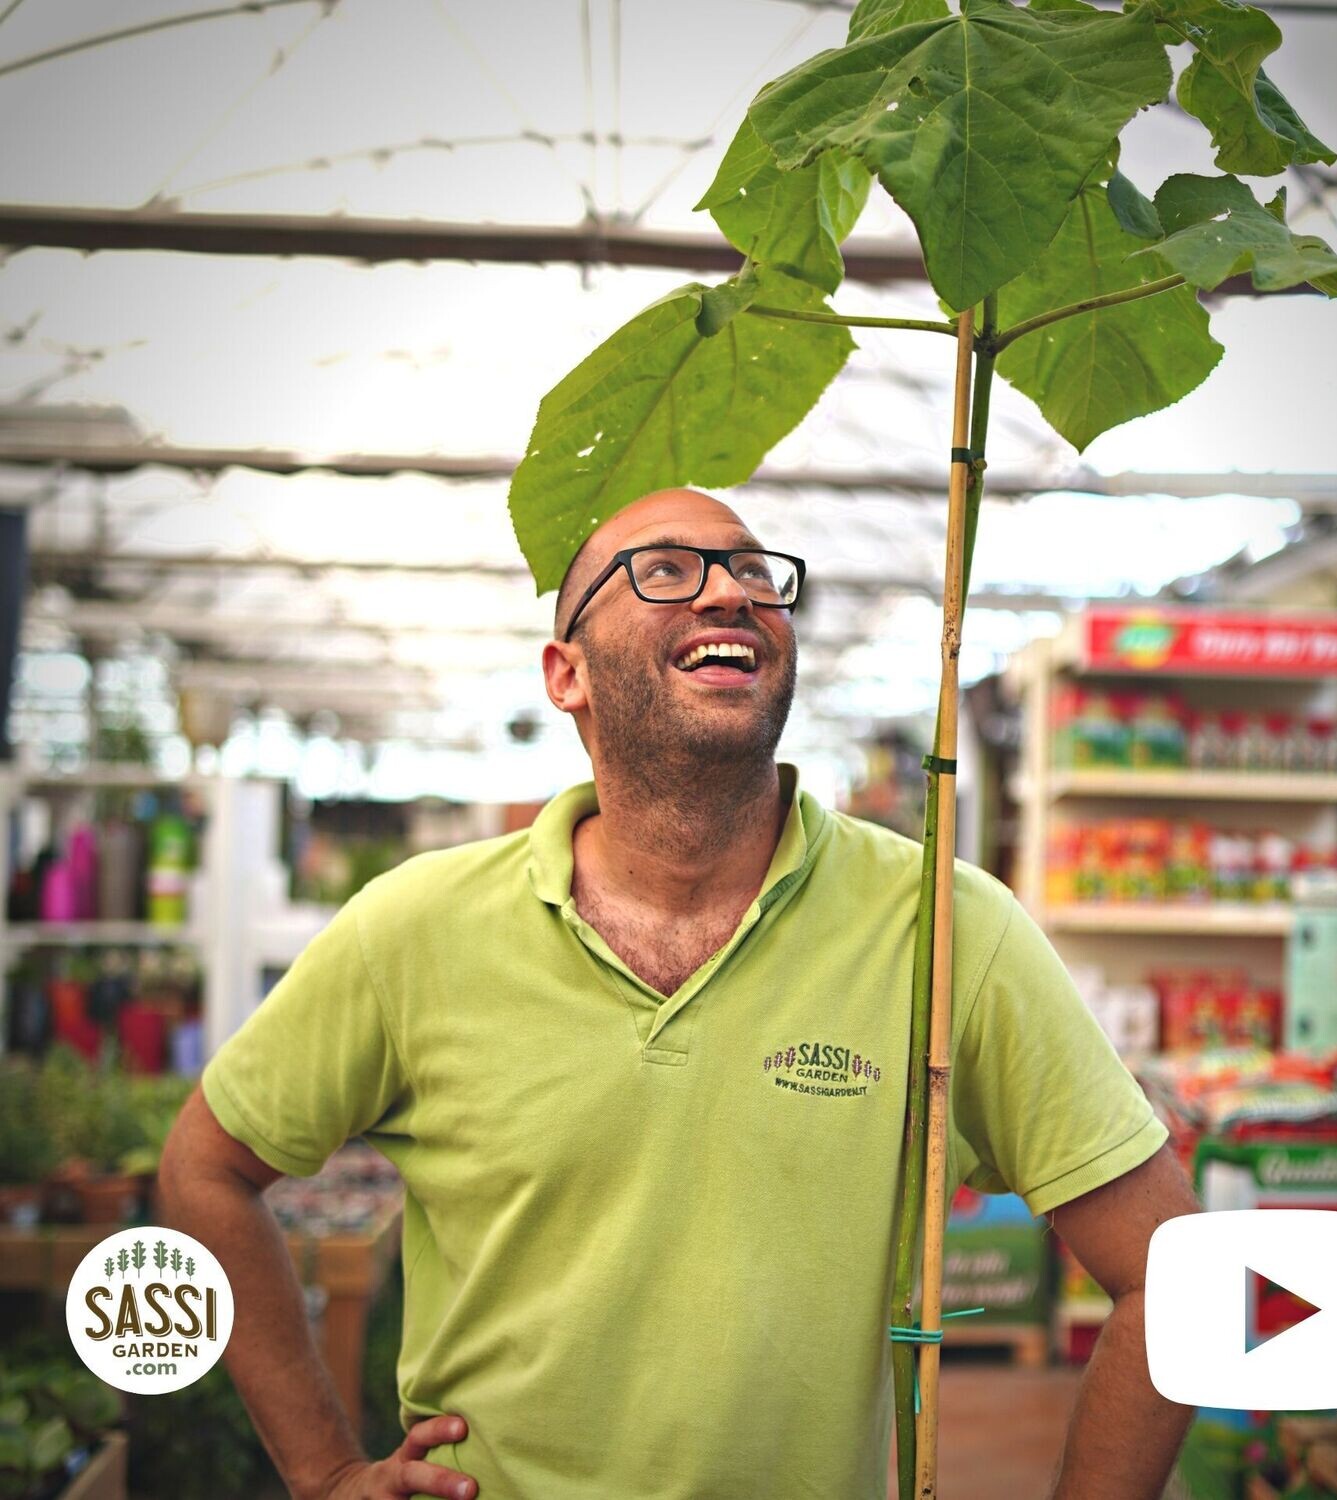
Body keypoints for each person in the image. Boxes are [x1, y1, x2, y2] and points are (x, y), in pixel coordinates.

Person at [159, 487, 1202, 1500]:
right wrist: (324, 1471)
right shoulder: (413, 931)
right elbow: (206, 1166)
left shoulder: (943, 930)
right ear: (565, 674)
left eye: (756, 572)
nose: (730, 593)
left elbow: (1172, 1276)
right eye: (664, 570)